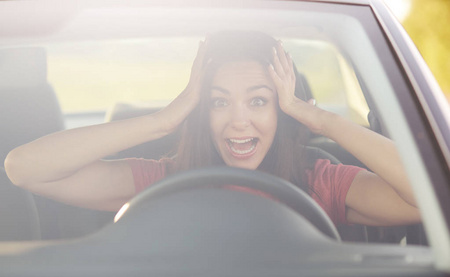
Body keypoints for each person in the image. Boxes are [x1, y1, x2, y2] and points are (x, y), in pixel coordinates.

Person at [4, 31, 420, 227]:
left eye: (258, 100)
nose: (238, 120)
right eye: (219, 102)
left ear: (280, 111)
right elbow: (24, 168)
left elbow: (432, 198)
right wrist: (162, 121)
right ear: (202, 112)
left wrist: (317, 117)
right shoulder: (165, 181)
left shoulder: (323, 182)